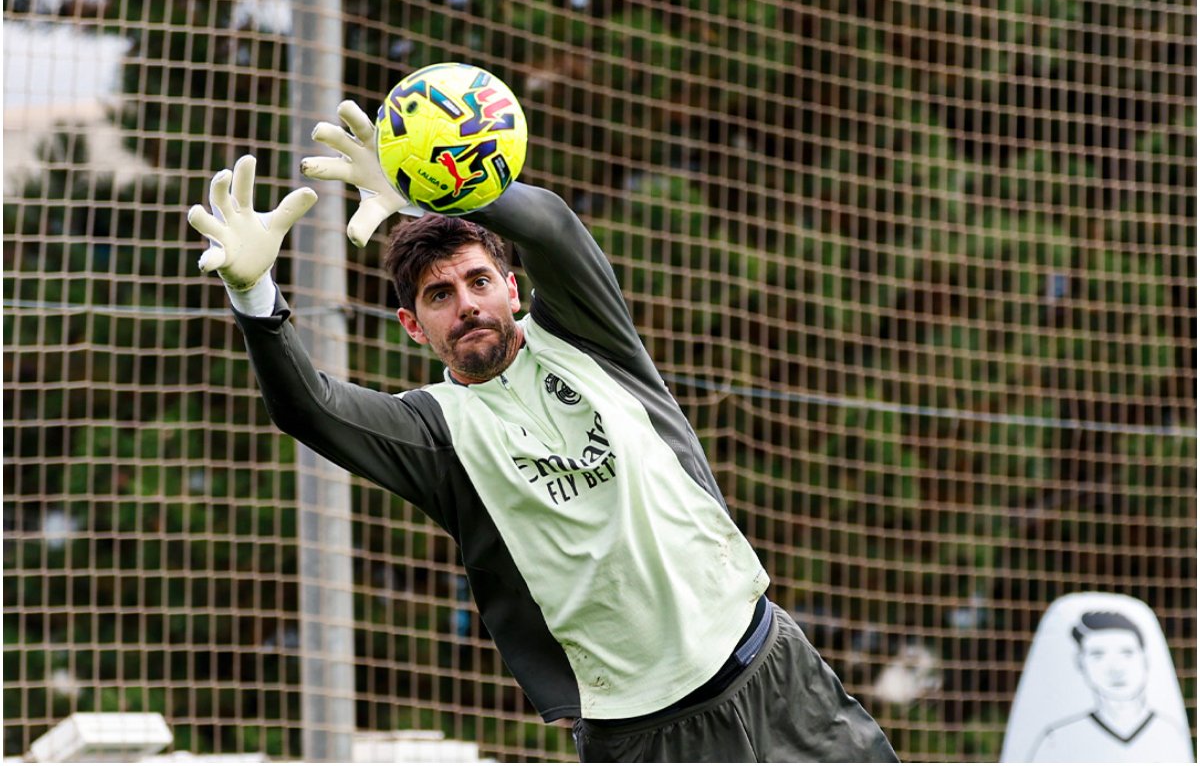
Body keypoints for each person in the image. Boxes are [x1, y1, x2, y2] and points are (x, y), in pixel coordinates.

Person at [187, 100, 897, 763]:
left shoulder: (586, 336)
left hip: (775, 672)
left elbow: (553, 226)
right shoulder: (436, 429)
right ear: (414, 325)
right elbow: (306, 408)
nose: (465, 304)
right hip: (643, 734)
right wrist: (254, 297)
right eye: (439, 296)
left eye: (477, 280)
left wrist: (434, 186)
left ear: (512, 287)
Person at [1027, 611, 1193, 762]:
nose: (1116, 668)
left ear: (1145, 658)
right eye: (1098, 655)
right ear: (1080, 662)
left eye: (1127, 653)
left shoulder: (1170, 734)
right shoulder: (1057, 740)